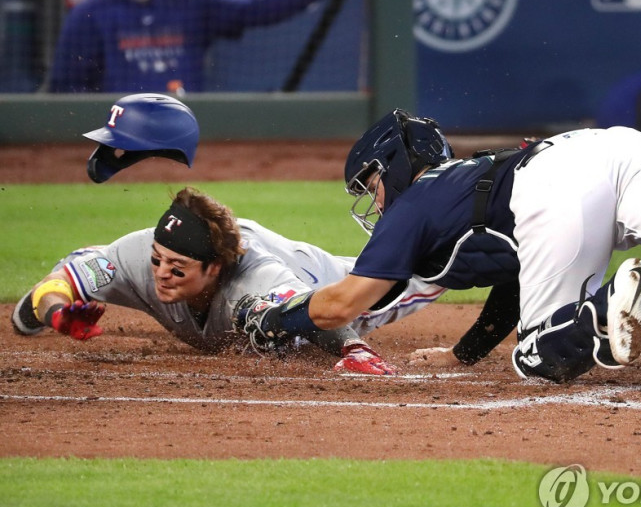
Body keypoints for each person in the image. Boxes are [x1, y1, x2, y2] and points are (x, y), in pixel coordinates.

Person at [232, 109, 641, 384]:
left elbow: (344, 304)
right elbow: (512, 278)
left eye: (373, 183)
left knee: (538, 359)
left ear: (397, 167)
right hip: (617, 146)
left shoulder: (413, 206)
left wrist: (279, 320)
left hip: (554, 185)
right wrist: (464, 355)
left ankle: (603, 313)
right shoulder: (461, 183)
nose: (376, 201)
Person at [11, 96, 445, 376]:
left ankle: (469, 201)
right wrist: (52, 314)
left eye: (177, 268)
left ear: (214, 268)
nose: (161, 273)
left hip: (341, 285)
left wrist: (354, 349)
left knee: (439, 262)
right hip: (289, 273)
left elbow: (325, 313)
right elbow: (59, 281)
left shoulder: (253, 280)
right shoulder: (139, 257)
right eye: (158, 260)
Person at [48, 0, 363, 93]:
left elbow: (256, 11)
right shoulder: (89, 15)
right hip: (123, 137)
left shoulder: (189, 4)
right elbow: (68, 87)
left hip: (183, 129)